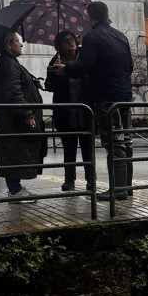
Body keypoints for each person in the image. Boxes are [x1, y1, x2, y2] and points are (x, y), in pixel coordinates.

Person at [52, 1, 134, 202]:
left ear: (90, 17)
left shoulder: (92, 37)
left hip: (106, 97)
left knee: (113, 143)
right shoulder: (120, 36)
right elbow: (130, 66)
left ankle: (117, 190)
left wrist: (66, 70)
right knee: (126, 141)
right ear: (107, 14)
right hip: (124, 95)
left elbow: (85, 67)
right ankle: (126, 187)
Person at [0, 32, 46, 197]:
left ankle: (15, 188)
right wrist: (28, 115)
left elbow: (17, 87)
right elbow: (14, 93)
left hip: (12, 120)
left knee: (14, 153)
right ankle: (15, 190)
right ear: (9, 45)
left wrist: (31, 82)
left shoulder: (9, 62)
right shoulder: (8, 64)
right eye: (18, 41)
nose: (21, 45)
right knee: (14, 154)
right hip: (14, 121)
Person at [45, 31, 94, 192]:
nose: (70, 43)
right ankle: (69, 180)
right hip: (66, 112)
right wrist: (56, 74)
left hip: (85, 110)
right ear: (59, 46)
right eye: (65, 41)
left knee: (88, 147)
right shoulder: (56, 60)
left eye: (72, 39)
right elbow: (49, 86)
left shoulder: (84, 59)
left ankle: (90, 180)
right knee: (69, 147)